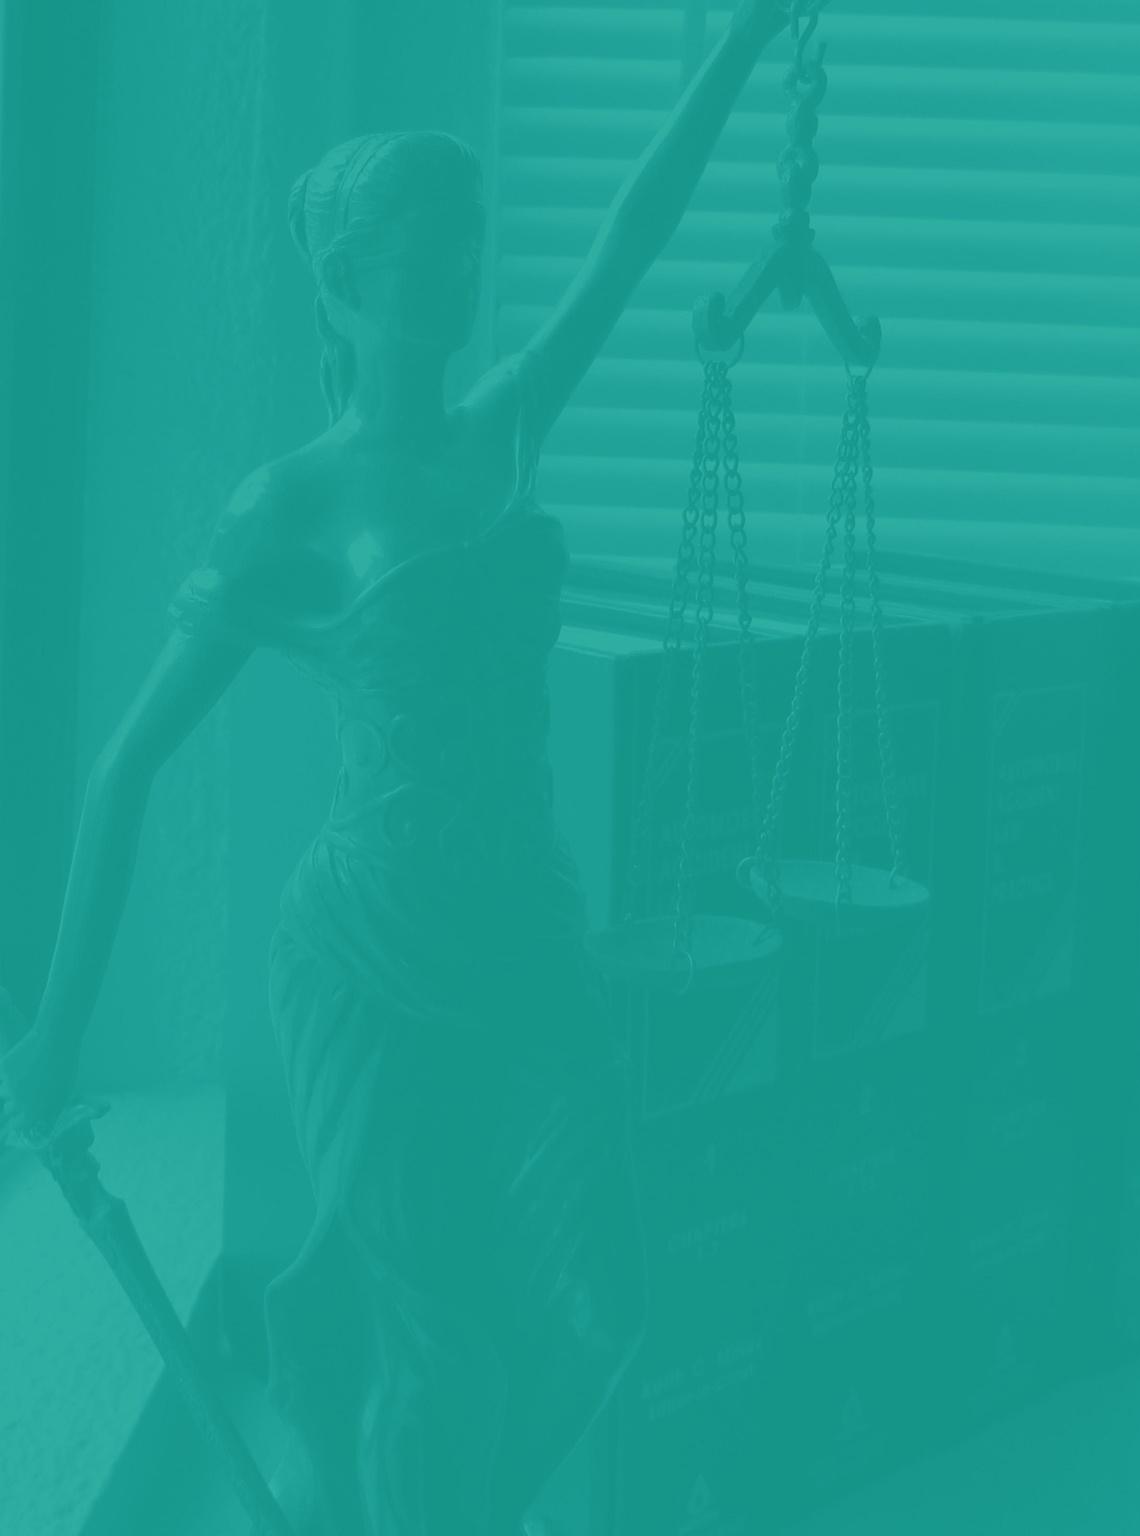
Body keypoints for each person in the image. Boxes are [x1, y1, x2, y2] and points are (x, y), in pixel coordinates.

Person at [0, 4, 803, 1531]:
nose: (463, 272)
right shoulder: (287, 507)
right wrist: (54, 1033)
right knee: (431, 1338)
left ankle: (390, 1444)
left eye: (471, 243)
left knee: (601, 1302)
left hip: (525, 932)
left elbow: (632, 238)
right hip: (368, 952)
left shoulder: (505, 433)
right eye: (432, 248)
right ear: (349, 281)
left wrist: (745, 38)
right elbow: (125, 768)